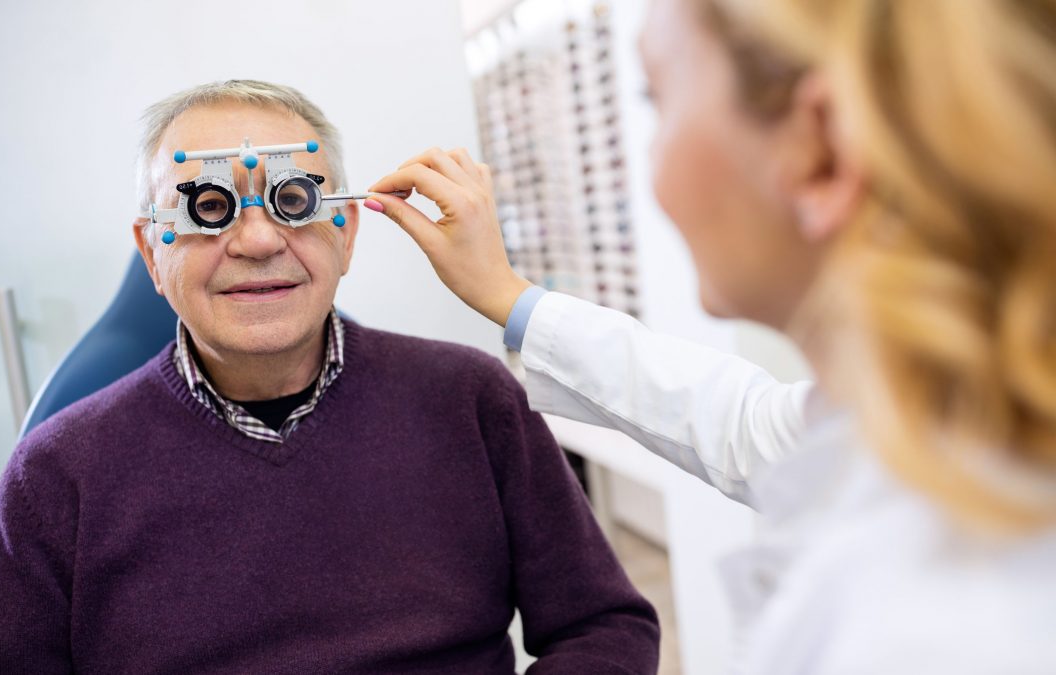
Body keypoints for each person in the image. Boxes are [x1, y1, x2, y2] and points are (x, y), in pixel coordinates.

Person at [366, 0, 1056, 672]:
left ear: (817, 152)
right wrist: (511, 297)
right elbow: (747, 423)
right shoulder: (937, 425)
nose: (653, 173)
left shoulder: (939, 623)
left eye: (652, 99)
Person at [0, 80, 660, 674]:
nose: (257, 241)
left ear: (348, 232)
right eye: (208, 208)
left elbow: (603, 625)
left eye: (293, 199)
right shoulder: (53, 479)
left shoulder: (472, 401)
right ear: (152, 251)